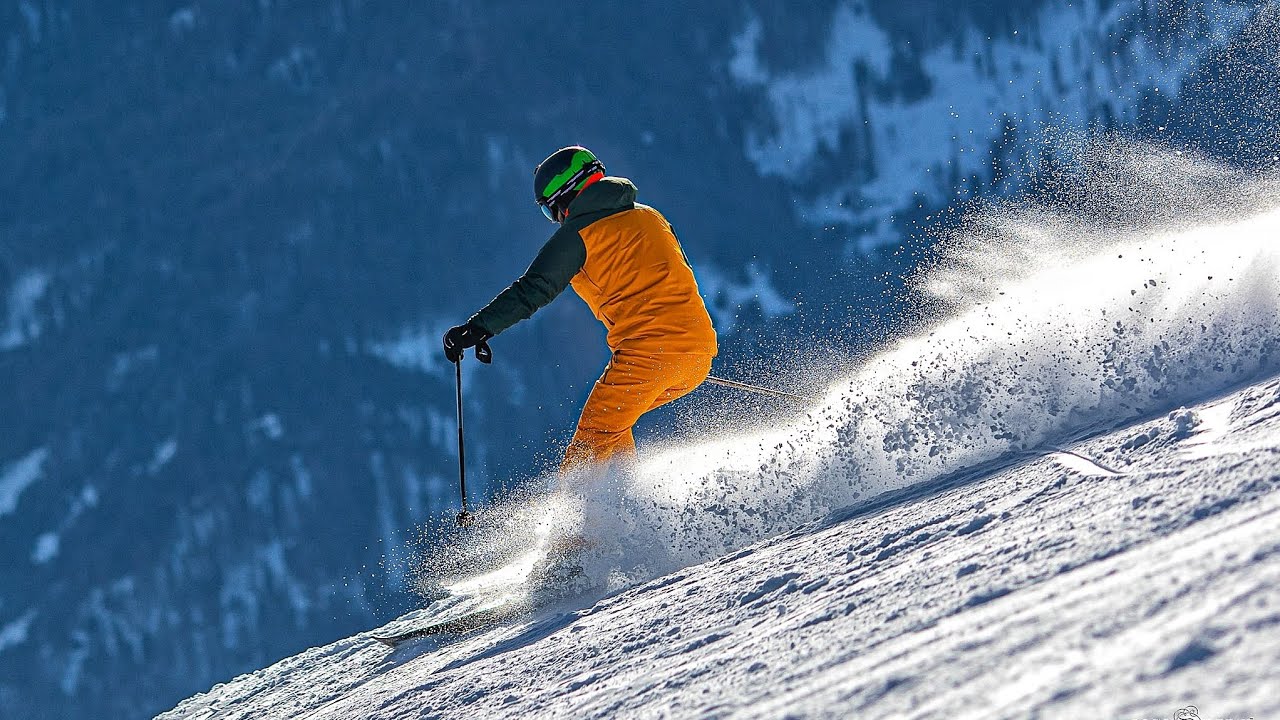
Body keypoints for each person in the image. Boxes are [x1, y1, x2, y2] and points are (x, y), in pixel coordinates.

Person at [442, 146, 717, 474]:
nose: (555, 219)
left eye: (549, 210)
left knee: (593, 438)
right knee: (613, 425)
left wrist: (477, 328)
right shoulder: (651, 217)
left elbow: (533, 289)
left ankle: (583, 506)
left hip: (648, 357)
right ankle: (627, 496)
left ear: (564, 198)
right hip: (699, 353)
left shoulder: (579, 235)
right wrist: (681, 352)